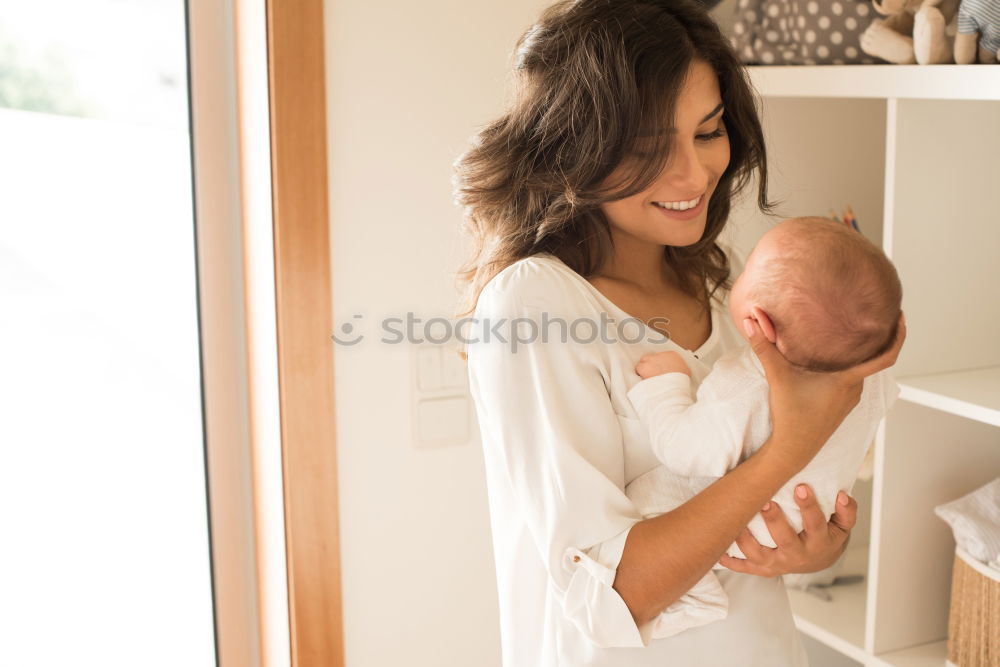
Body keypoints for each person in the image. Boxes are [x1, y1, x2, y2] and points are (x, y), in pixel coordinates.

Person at [452, 1, 906, 665]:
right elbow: (615, 594)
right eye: (647, 150)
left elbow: (769, 517)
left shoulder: (728, 286)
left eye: (709, 130)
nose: (693, 176)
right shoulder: (533, 304)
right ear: (572, 146)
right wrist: (787, 449)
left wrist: (815, 543)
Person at [622, 216, 903, 638]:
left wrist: (666, 387)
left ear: (760, 322)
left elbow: (683, 450)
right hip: (805, 521)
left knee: (644, 500)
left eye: (749, 266)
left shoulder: (747, 380)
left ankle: (696, 595)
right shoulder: (874, 380)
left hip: (748, 531)